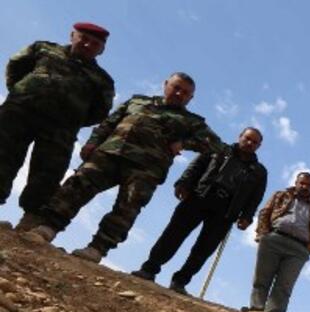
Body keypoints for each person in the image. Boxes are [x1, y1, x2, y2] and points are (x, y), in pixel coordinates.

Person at [16, 72, 224, 263]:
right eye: (176, 87)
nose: (179, 94)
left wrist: (185, 143)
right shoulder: (138, 101)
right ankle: (48, 228)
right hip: (109, 154)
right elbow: (109, 122)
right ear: (165, 85)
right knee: (76, 186)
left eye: (186, 93)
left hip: (146, 169)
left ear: (190, 99)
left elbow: (217, 145)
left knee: (127, 208)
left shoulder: (192, 122)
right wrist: (92, 142)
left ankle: (97, 249)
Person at [131, 127, 268, 294]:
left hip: (226, 211)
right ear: (240, 137)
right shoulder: (218, 149)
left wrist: (247, 216)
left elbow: (256, 197)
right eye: (247, 138)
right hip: (199, 196)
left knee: (204, 249)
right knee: (173, 234)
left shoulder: (259, 171)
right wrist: (183, 182)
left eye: (254, 142)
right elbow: (196, 165)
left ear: (259, 146)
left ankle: (180, 281)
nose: (249, 143)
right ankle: (149, 269)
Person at [0, 22, 113, 214]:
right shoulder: (43, 48)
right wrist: (22, 93)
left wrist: (70, 118)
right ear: (72, 35)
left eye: (95, 43)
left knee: (47, 175)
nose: (87, 45)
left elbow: (100, 112)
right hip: (18, 114)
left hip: (61, 131)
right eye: (84, 38)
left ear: (101, 50)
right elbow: (15, 65)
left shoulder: (103, 80)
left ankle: (28, 225)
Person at [244, 172, 310, 312]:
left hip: (299, 248)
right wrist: (263, 234)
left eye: (308, 185)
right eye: (302, 183)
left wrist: (308, 250)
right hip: (274, 239)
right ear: (296, 182)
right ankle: (255, 309)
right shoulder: (281, 195)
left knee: (285, 284)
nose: (305, 187)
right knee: (262, 277)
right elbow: (265, 212)